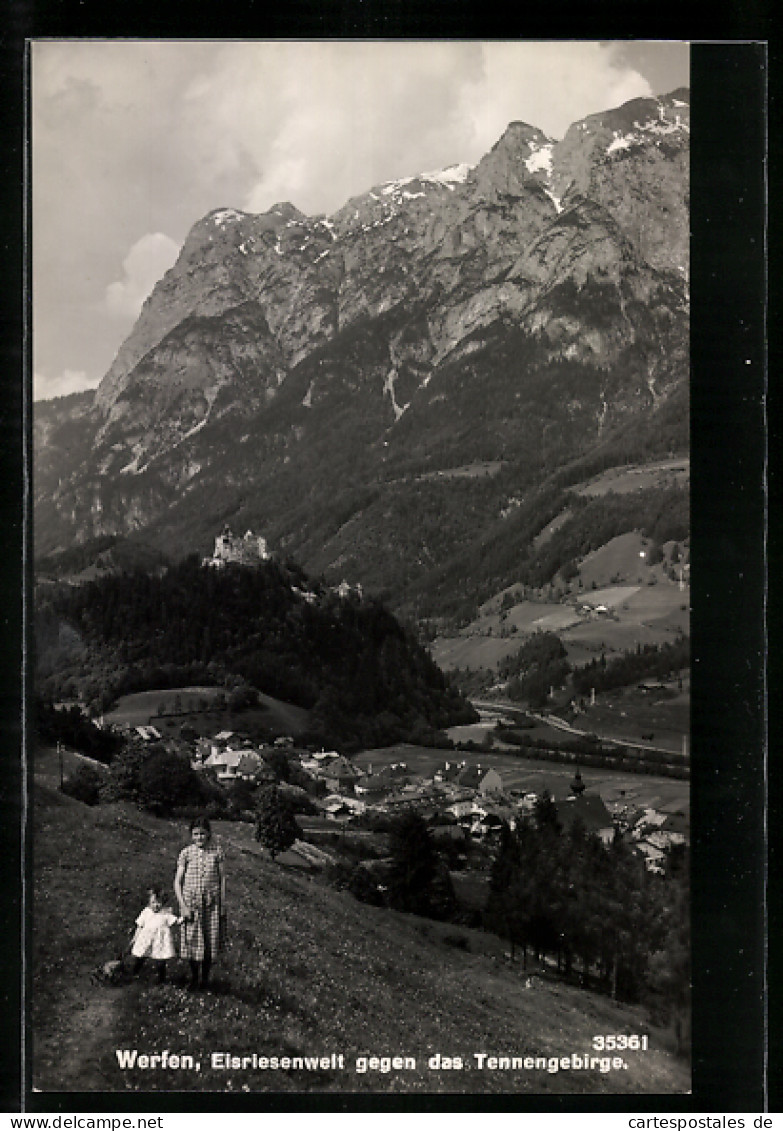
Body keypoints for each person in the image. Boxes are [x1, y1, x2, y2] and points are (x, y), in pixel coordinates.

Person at [174, 817, 226, 990]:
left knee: (209, 943)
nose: (199, 837)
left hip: (212, 905)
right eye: (196, 834)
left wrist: (223, 904)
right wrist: (182, 905)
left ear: (209, 833)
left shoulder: (216, 852)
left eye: (202, 833)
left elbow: (222, 878)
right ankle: (194, 978)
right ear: (191, 835)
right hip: (191, 905)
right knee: (192, 942)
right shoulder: (186, 853)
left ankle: (205, 979)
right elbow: (177, 882)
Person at [130, 887, 182, 984]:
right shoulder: (146, 912)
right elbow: (140, 926)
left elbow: (176, 921)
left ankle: (161, 980)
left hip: (160, 941)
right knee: (141, 956)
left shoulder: (166, 913)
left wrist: (184, 918)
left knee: (161, 960)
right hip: (146, 939)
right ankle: (134, 974)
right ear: (149, 903)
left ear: (163, 903)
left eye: (159, 902)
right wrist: (135, 938)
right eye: (153, 902)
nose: (156, 905)